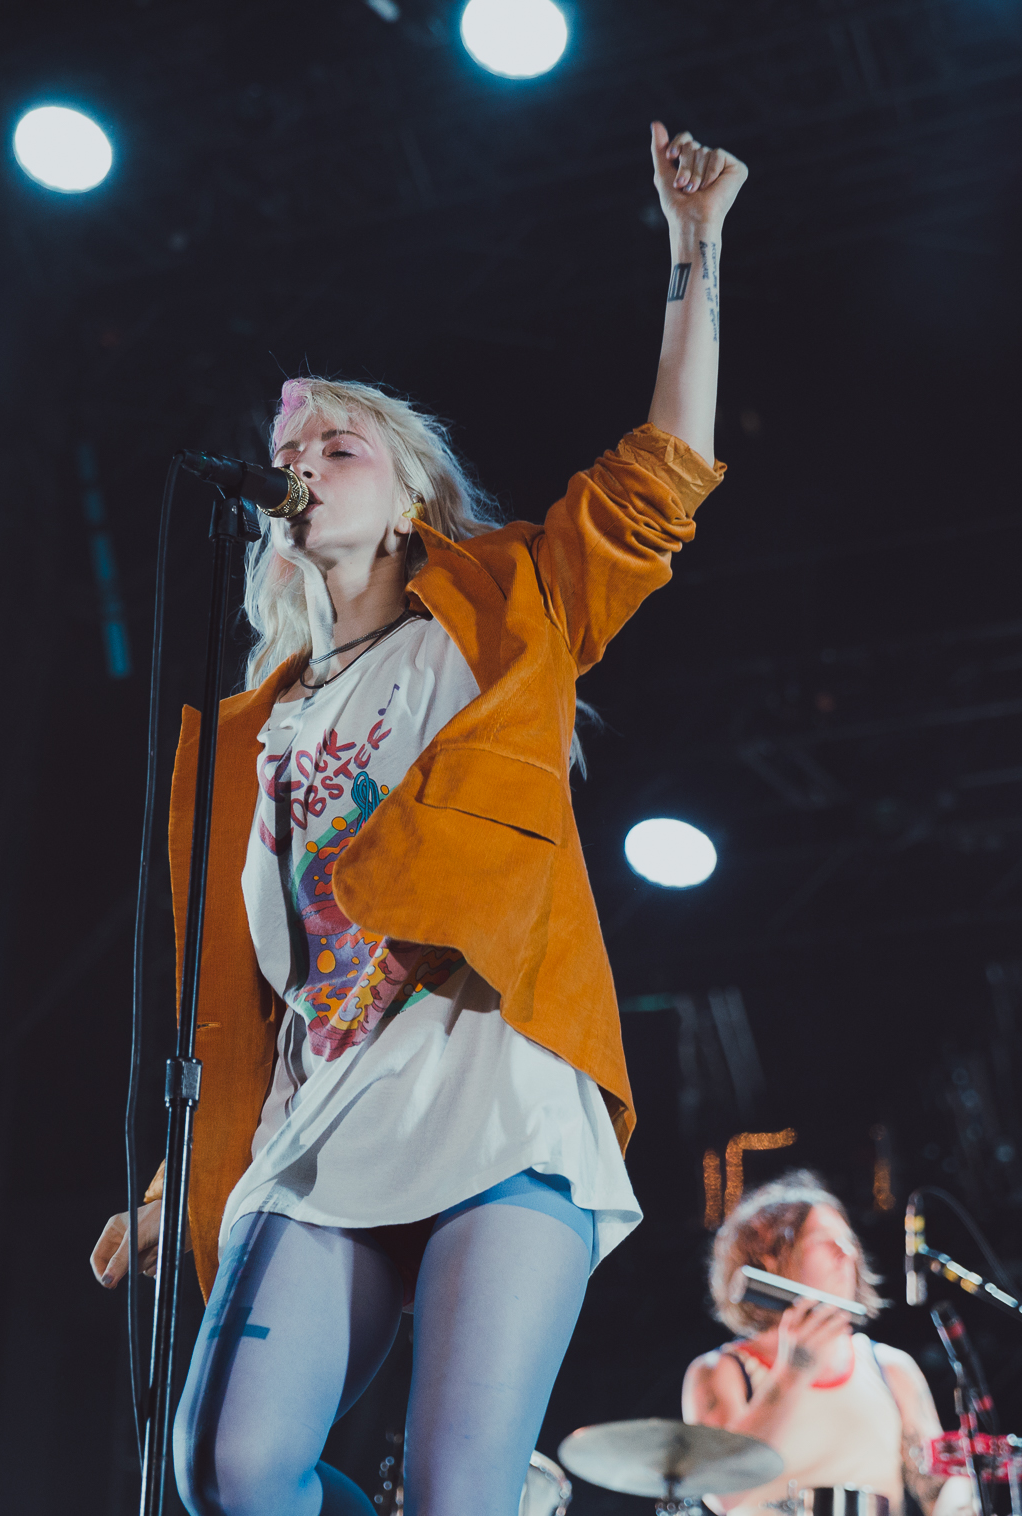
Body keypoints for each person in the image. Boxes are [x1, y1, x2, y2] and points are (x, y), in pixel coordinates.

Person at [90, 121, 747, 1516]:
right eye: (290, 448)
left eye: (339, 446)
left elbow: (658, 484)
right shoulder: (241, 739)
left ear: (404, 500)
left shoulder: (500, 615)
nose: (303, 465)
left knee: (459, 1490)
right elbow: (239, 1002)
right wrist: (175, 1178)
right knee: (225, 1470)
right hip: (318, 1122)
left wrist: (694, 250)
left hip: (496, 1099)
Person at [680, 1172, 977, 1515]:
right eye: (824, 1241)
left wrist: (961, 1498)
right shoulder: (721, 1371)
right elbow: (720, 1492)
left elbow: (937, 1489)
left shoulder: (891, 1368)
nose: (847, 1252)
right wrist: (793, 1372)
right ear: (769, 1255)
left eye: (849, 1240)